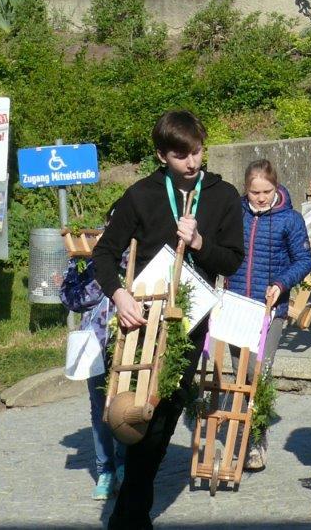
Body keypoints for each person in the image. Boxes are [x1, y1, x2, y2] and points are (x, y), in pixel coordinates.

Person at [91, 110, 243, 530]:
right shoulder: (142, 195)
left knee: (165, 411)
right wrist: (119, 294)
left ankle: (130, 510)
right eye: (181, 155)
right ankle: (131, 514)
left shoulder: (223, 195)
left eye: (197, 152)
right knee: (139, 412)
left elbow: (232, 259)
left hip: (190, 320)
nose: (192, 162)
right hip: (142, 316)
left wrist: (199, 242)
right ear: (162, 155)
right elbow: (103, 255)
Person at [225, 159, 311, 471]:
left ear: (276, 187)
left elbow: (304, 260)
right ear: (245, 190)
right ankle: (239, 431)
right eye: (255, 192)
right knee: (240, 373)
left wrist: (281, 284)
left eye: (266, 191)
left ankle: (255, 439)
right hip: (237, 305)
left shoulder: (290, 219)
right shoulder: (235, 213)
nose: (261, 198)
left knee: (258, 372)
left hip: (270, 308)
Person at [59, 244, 126, 500]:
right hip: (95, 343)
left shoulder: (132, 251)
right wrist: (95, 277)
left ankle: (124, 464)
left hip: (129, 341)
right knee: (100, 407)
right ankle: (105, 469)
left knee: (126, 405)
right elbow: (71, 298)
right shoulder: (87, 256)